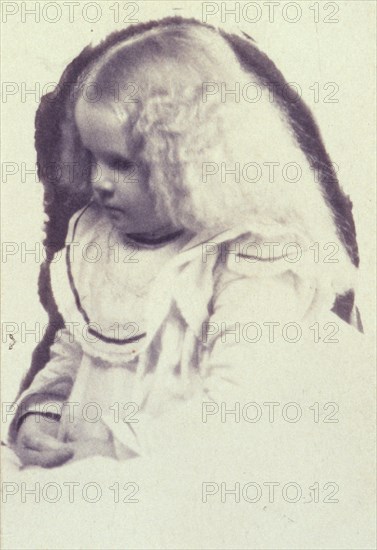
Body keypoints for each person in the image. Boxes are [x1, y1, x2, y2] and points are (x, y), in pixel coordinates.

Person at [9, 17, 361, 468]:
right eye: (92, 157)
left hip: (193, 478)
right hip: (84, 470)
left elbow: (240, 408)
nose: (99, 182)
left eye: (121, 163)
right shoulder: (99, 241)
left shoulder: (252, 258)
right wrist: (42, 415)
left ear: (188, 163)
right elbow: (75, 351)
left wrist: (116, 458)